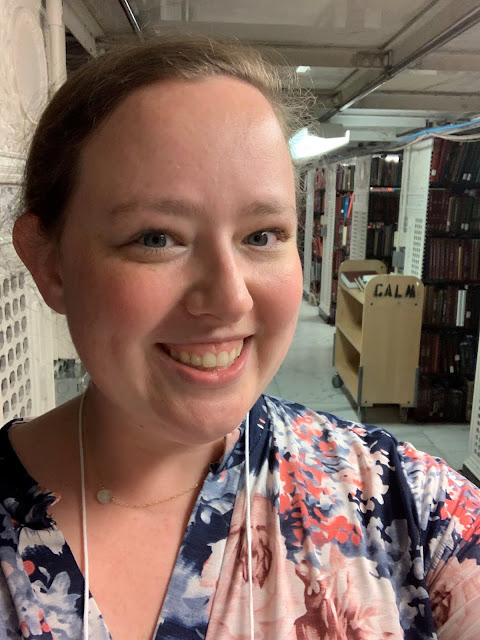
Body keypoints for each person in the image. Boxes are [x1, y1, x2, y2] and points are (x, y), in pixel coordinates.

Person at [0, 34, 479, 640]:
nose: (230, 297)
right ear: (50, 264)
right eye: (156, 237)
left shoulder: (406, 510)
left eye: (262, 235)